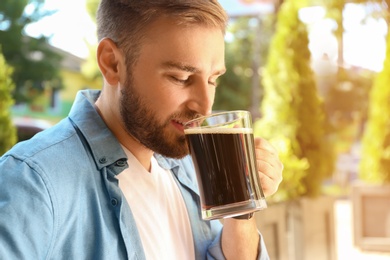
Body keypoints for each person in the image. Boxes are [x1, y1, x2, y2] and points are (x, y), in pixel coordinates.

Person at [0, 0, 283, 259]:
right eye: (181, 77)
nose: (205, 107)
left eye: (212, 80)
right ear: (112, 63)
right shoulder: (32, 182)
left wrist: (240, 207)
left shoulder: (187, 165)